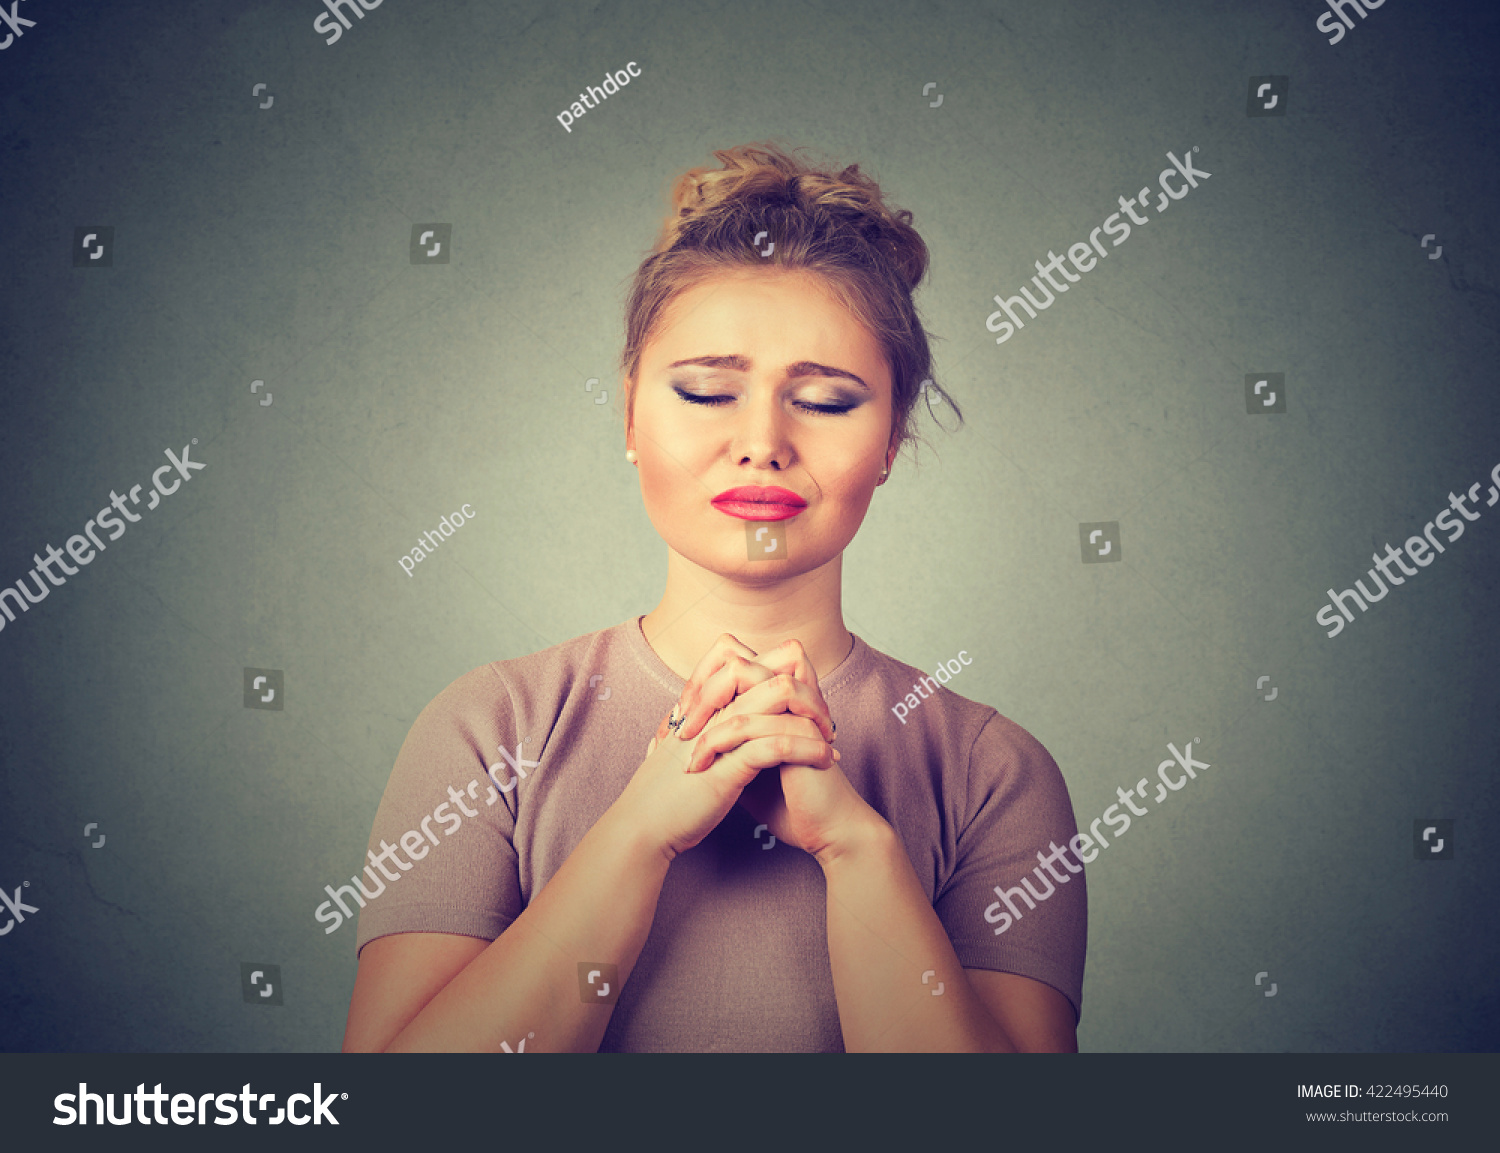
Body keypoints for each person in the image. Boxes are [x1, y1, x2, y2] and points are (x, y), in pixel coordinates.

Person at [341, 143, 1086, 1053]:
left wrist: (857, 848)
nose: (761, 442)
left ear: (890, 441)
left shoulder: (992, 770)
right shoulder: (491, 728)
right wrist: (641, 829)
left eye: (825, 401)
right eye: (706, 391)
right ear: (628, 414)